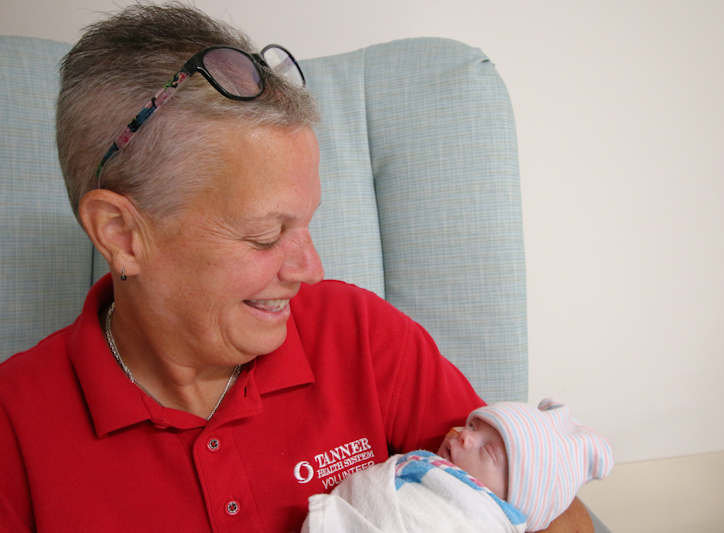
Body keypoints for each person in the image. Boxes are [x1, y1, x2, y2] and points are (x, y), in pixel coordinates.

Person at [0, 3, 593, 532]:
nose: (311, 269)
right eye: (265, 235)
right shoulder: (16, 431)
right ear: (122, 234)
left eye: (308, 223)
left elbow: (545, 509)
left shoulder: (361, 336)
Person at [302, 400, 613, 533]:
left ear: (517, 497)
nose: (464, 437)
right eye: (473, 426)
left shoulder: (487, 518)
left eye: (488, 450)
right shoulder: (430, 471)